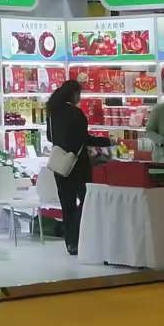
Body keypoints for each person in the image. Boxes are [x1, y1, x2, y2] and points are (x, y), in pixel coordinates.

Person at [45, 79, 109, 256]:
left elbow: (50, 137)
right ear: (73, 94)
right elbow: (84, 138)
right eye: (79, 94)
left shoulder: (53, 113)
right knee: (86, 200)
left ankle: (70, 243)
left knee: (67, 204)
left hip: (60, 163)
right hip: (78, 164)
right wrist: (106, 141)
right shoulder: (76, 113)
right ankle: (80, 236)